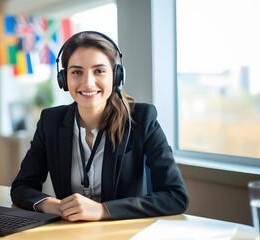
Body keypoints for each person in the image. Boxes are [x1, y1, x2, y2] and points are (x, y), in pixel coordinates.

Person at [11, 31, 189, 222]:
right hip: (69, 232)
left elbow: (176, 196)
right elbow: (21, 187)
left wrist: (104, 210)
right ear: (63, 79)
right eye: (76, 72)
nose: (87, 82)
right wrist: (56, 206)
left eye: (99, 71)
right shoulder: (50, 121)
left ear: (117, 76)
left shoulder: (143, 118)